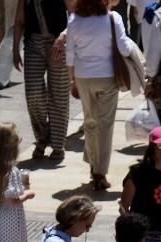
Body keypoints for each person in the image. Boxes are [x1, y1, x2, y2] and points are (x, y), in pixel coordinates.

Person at [65, 0, 138, 192]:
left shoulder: (74, 20)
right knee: (105, 125)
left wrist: (72, 80)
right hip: (106, 76)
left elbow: (70, 53)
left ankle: (93, 164)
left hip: (83, 77)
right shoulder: (113, 18)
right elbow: (123, 48)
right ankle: (100, 173)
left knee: (90, 122)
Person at [13, 0, 71, 163]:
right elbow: (19, 21)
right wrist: (15, 49)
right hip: (33, 44)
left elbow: (75, 16)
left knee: (58, 94)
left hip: (58, 44)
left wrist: (64, 36)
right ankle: (42, 137)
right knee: (33, 95)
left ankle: (58, 145)